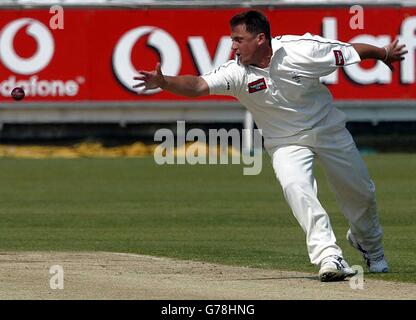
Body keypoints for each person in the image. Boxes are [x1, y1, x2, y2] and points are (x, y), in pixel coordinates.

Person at [133, 10, 407, 282]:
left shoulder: (302, 50)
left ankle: (370, 246)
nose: (233, 46)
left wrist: (383, 53)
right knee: (296, 187)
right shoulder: (237, 72)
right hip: (285, 142)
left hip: (328, 129)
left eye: (239, 39)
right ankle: (328, 256)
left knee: (360, 193)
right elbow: (197, 85)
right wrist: (164, 81)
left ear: (261, 39)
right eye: (232, 39)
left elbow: (351, 52)